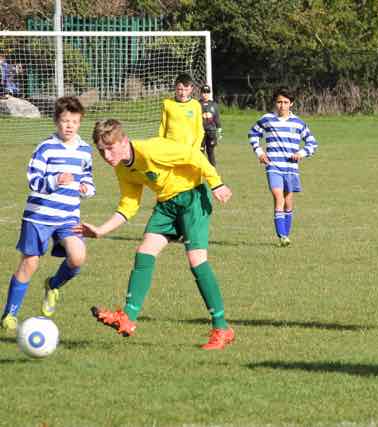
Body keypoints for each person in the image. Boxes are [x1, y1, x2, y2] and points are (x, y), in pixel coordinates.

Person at [76, 119, 234, 350]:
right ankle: (127, 318)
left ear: (124, 141)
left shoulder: (151, 150)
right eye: (101, 150)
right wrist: (101, 230)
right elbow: (129, 204)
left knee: (196, 260)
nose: (107, 156)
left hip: (192, 198)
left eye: (110, 148)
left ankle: (222, 328)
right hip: (166, 205)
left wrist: (216, 183)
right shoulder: (122, 168)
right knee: (144, 252)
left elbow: (194, 155)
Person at [1, 96, 95, 330]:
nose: (69, 126)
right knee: (30, 263)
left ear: (80, 122)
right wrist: (54, 180)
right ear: (56, 121)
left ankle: (52, 285)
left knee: (78, 257)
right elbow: (33, 180)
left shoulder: (85, 150)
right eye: (65, 121)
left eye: (74, 121)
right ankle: (10, 314)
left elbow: (87, 178)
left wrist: (86, 189)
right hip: (39, 216)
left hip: (68, 216)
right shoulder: (45, 147)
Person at [248, 87, 318, 247]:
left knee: (288, 202)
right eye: (279, 102)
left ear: (291, 103)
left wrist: (301, 153)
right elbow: (253, 134)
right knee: (278, 198)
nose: (282, 105)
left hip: (291, 168)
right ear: (275, 103)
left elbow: (312, 143)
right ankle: (282, 236)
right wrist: (259, 152)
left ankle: (286, 234)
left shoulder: (298, 123)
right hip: (273, 166)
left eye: (286, 102)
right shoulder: (267, 119)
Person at [158, 73, 204, 149]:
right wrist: (161, 145)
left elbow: (200, 130)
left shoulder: (196, 105)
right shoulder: (167, 103)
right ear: (175, 88)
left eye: (186, 90)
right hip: (170, 148)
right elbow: (162, 128)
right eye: (180, 89)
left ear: (191, 89)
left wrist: (195, 148)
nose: (183, 93)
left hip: (189, 149)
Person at [199, 84, 222, 166]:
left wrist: (219, 130)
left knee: (210, 152)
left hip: (211, 132)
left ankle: (212, 170)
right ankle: (200, 169)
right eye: (203, 92)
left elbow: (217, 118)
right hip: (200, 132)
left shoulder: (214, 105)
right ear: (200, 93)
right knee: (200, 152)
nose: (205, 94)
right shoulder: (197, 104)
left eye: (207, 92)